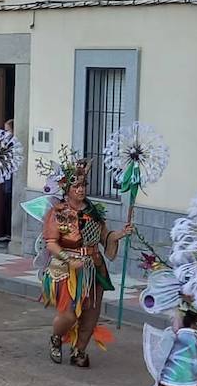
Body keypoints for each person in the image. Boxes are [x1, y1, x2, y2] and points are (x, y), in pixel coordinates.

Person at [37, 151, 131, 368]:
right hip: (66, 268)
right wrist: (69, 260)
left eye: (83, 185)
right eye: (75, 185)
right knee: (69, 314)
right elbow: (51, 242)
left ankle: (79, 350)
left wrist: (120, 234)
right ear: (66, 188)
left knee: (91, 313)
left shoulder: (93, 212)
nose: (80, 189)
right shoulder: (58, 212)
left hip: (93, 267)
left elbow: (104, 237)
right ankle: (57, 338)